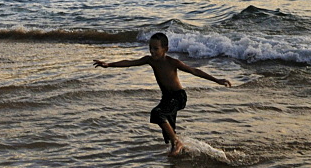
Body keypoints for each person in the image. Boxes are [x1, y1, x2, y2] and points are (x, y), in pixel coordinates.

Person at [93, 31, 232, 156]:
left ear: (165, 49)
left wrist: (217, 80)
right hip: (166, 98)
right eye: (150, 48)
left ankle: (177, 143)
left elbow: (194, 71)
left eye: (156, 48)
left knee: (157, 113)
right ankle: (180, 151)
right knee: (168, 132)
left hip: (178, 97)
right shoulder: (150, 60)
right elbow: (130, 62)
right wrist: (109, 65)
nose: (152, 51)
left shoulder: (172, 62)